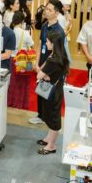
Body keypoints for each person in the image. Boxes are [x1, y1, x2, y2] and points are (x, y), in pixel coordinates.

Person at [29, 0, 67, 126]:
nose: (46, 11)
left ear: (56, 13)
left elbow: (55, 53)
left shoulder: (59, 31)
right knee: (41, 90)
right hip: (43, 63)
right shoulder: (45, 25)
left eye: (50, 10)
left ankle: (49, 119)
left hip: (51, 66)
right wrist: (37, 62)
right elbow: (40, 44)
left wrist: (44, 68)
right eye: (46, 9)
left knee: (49, 92)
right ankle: (41, 115)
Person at [36, 25, 70, 155]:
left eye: (48, 42)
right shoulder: (61, 56)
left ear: (54, 44)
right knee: (51, 115)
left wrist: (44, 74)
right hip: (56, 88)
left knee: (54, 118)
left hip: (52, 91)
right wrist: (46, 75)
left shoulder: (53, 60)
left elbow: (39, 75)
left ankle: (51, 145)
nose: (46, 43)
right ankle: (48, 139)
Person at [8, 12, 35, 110]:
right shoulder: (25, 33)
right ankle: (22, 103)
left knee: (13, 82)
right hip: (23, 60)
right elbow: (32, 46)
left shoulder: (10, 32)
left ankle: (11, 102)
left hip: (12, 59)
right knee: (23, 82)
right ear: (22, 21)